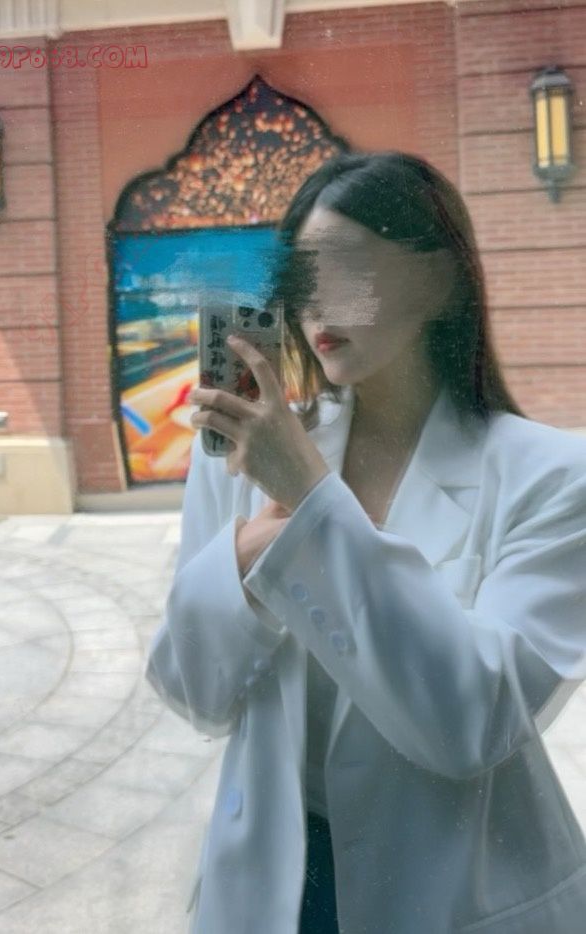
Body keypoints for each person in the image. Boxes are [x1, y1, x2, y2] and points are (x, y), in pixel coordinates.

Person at [144, 150, 586, 933]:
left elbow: (471, 724)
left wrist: (315, 503)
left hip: (453, 898)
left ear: (440, 281)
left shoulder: (553, 476)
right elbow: (191, 688)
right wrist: (244, 562)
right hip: (271, 885)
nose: (317, 304)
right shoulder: (247, 455)